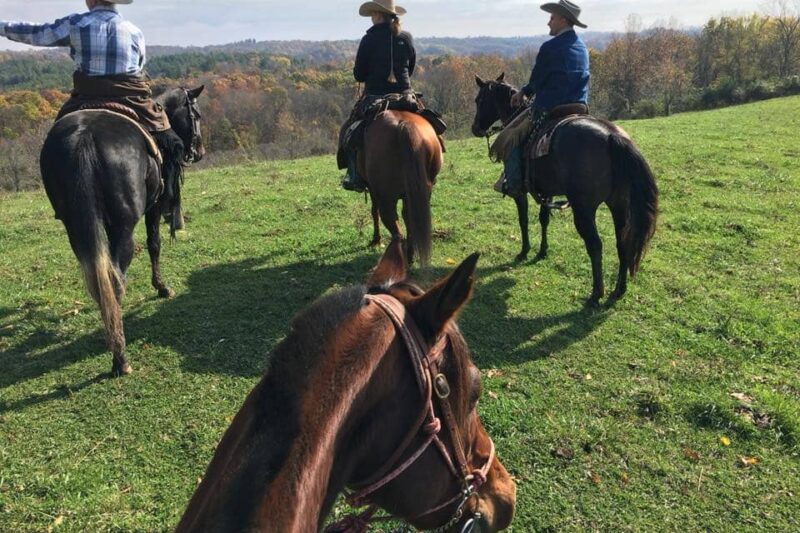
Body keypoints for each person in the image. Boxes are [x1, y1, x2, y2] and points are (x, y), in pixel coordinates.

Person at [0, 0, 184, 171]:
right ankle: (167, 197)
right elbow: (139, 67)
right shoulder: (134, 31)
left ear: (91, 0)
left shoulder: (76, 23)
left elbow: (37, 34)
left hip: (86, 96)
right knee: (169, 139)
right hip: (130, 97)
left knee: (55, 139)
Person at [492, 0, 590, 197]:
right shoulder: (583, 47)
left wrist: (523, 93)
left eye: (552, 17)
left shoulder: (550, 47)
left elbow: (538, 79)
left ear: (563, 19)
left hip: (550, 107)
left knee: (508, 138)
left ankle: (513, 183)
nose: (548, 22)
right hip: (579, 107)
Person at [339, 0, 416, 192]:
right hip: (405, 94)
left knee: (349, 130)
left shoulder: (369, 39)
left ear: (378, 15)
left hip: (375, 95)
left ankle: (353, 174)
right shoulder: (406, 38)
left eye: (372, 14)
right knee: (430, 119)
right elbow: (411, 66)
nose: (371, 18)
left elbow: (359, 74)